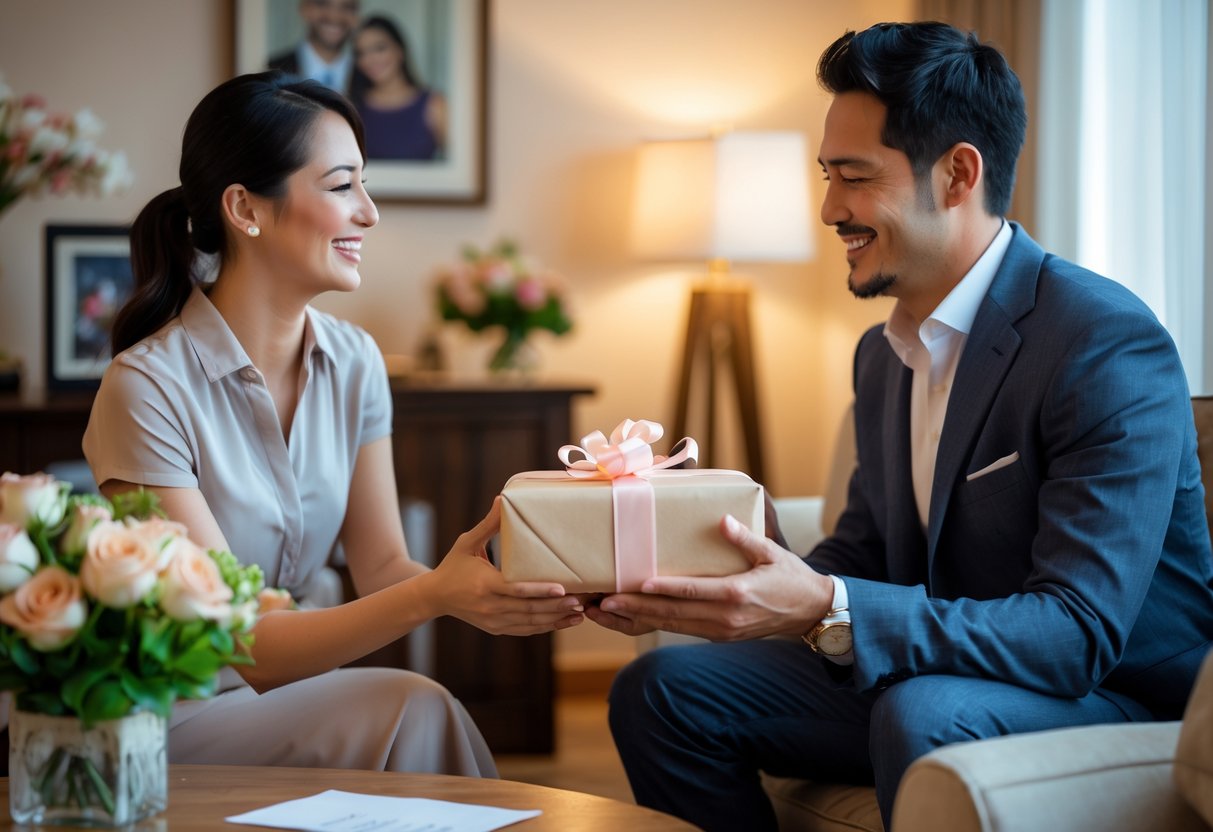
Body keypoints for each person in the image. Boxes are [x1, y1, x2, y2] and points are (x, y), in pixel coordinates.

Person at [589, 21, 1213, 831]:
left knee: (922, 713)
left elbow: (1075, 633)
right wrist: (738, 567)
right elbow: (864, 554)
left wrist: (822, 604)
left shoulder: (1100, 342)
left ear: (957, 174)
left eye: (853, 177)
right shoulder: (880, 354)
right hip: (940, 678)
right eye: (825, 176)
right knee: (663, 690)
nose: (827, 209)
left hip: (1114, 697)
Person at [82, 71, 584, 775]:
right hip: (170, 713)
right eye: (343, 185)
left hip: (288, 697)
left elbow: (380, 566)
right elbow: (238, 646)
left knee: (414, 706)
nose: (369, 213)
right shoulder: (145, 387)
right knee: (415, 705)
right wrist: (434, 593)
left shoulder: (355, 360)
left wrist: (477, 592)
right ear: (244, 208)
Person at [352, 15, 447, 161]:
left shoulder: (434, 104)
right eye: (362, 53)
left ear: (400, 50)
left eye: (379, 48)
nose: (370, 60)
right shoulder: (353, 106)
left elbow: (464, 166)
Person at [268, 0, 369, 99]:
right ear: (304, 8)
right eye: (322, 3)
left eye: (347, 6)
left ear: (357, 16)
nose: (334, 16)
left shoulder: (369, 77)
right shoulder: (272, 72)